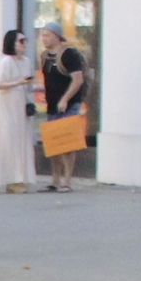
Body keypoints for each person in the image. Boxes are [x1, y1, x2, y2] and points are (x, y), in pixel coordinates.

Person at [0, 30, 36, 193]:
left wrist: (32, 86)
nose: (24, 44)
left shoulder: (26, 61)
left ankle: (16, 179)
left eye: (25, 41)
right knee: (5, 139)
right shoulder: (6, 62)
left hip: (19, 104)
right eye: (21, 41)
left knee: (19, 140)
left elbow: (27, 86)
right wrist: (19, 82)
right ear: (12, 44)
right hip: (6, 104)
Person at [38, 23, 88, 193]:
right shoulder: (45, 56)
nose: (44, 38)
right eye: (43, 35)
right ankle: (55, 180)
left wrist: (65, 99)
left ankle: (67, 181)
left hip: (68, 104)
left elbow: (78, 79)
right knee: (53, 144)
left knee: (67, 143)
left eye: (47, 35)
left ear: (57, 36)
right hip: (52, 105)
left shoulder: (68, 54)